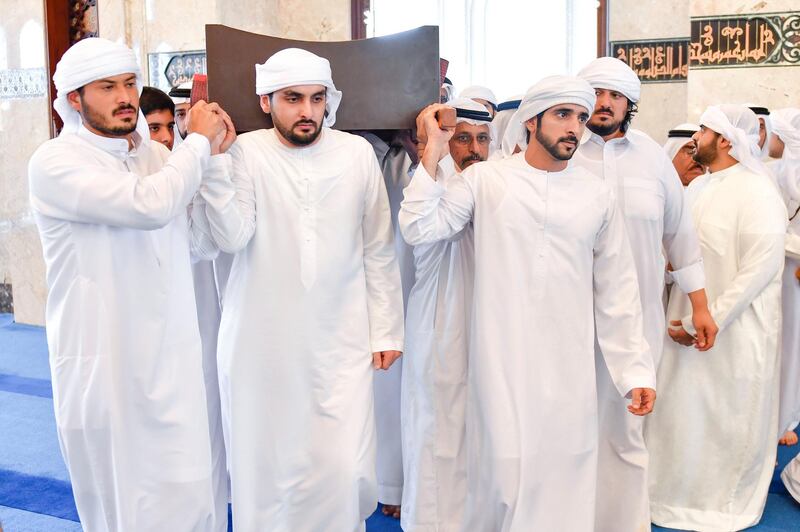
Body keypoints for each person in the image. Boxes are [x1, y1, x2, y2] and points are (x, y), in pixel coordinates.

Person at [399, 75, 656, 531]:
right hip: (499, 361)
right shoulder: (487, 180)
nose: (574, 127)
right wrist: (434, 151)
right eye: (562, 115)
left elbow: (618, 290)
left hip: (569, 366)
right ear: (531, 122)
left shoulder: (597, 194)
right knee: (501, 475)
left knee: (565, 469)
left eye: (579, 117)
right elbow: (420, 228)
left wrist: (634, 369)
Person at [27, 37, 233, 531]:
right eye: (107, 87)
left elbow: (200, 245)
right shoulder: (55, 163)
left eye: (129, 83)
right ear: (75, 99)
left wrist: (216, 160)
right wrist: (196, 145)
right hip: (108, 366)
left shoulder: (155, 159)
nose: (124, 96)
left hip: (173, 360)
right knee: (129, 508)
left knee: (190, 499)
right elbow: (148, 206)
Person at [195, 47, 404, 531]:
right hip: (261, 346)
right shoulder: (244, 152)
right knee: (266, 470)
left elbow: (378, 246)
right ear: (266, 101)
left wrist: (387, 330)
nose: (308, 112)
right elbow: (230, 237)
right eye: (293, 98)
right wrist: (217, 164)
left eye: (316, 99)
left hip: (341, 341)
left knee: (345, 470)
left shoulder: (356, 154)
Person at [573, 57, 715, 532]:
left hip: (638, 319)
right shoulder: (562, 153)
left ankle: (625, 522)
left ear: (630, 104)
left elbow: (681, 236)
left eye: (616, 95)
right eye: (598, 92)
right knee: (570, 421)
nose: (606, 103)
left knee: (629, 424)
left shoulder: (654, 158)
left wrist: (700, 304)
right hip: (568, 316)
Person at [647, 104, 787, 532]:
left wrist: (712, 318)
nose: (696, 138)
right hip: (682, 325)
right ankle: (670, 498)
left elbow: (759, 269)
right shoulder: (695, 189)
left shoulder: (758, 191)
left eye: (704, 131)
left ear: (725, 140)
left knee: (728, 416)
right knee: (681, 415)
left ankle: (723, 505)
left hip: (737, 331)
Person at [400, 97, 491, 532]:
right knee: (437, 437)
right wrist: (432, 154)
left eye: (482, 138)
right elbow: (417, 228)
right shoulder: (429, 180)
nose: (474, 148)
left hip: (486, 328)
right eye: (463, 138)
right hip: (439, 327)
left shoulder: (495, 183)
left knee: (478, 436)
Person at [768, 108, 800, 447]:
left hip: (793, 270)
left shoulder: (787, 174)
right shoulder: (775, 172)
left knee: (792, 346)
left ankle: (786, 417)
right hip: (781, 268)